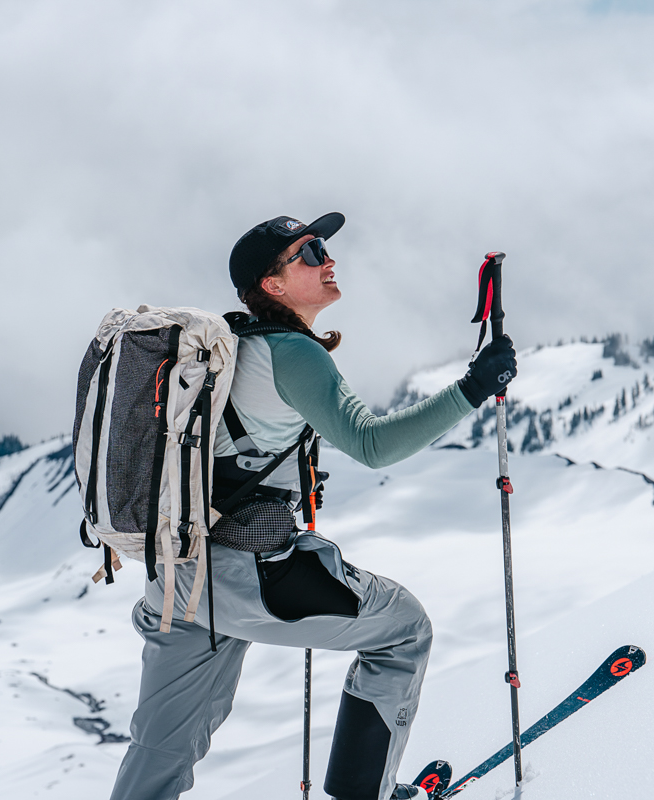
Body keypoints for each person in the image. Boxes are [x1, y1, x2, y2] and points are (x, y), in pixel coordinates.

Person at [109, 213, 517, 800]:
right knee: (403, 631)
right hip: (247, 579)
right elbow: (373, 445)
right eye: (309, 252)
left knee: (161, 750)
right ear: (271, 285)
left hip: (174, 580)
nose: (327, 258)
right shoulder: (292, 355)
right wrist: (473, 389)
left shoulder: (230, 353)